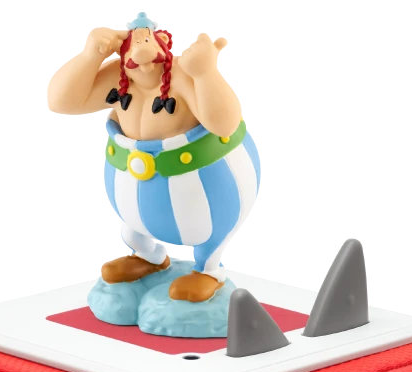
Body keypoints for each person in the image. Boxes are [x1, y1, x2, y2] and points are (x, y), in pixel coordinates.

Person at [46, 13, 261, 302]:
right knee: (133, 230)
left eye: (149, 40)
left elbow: (224, 124)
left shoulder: (182, 77)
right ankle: (149, 257)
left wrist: (205, 72)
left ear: (164, 44)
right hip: (130, 182)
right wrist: (89, 56)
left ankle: (209, 270)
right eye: (133, 45)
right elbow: (60, 101)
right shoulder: (119, 79)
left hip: (205, 182)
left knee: (209, 231)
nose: (142, 53)